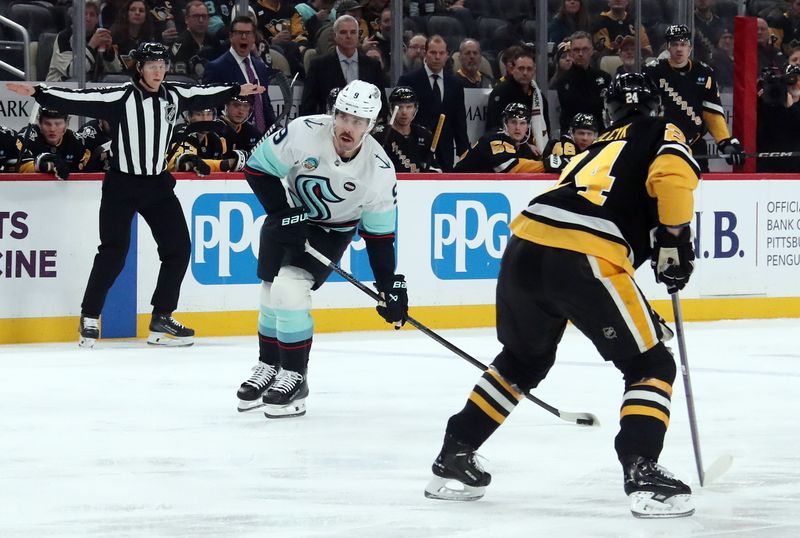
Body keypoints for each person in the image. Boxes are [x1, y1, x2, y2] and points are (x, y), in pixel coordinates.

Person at [424, 72, 701, 519]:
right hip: (583, 252)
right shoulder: (662, 130)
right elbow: (670, 177)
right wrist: (672, 238)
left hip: (524, 242)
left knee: (522, 360)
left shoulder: (592, 149)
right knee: (651, 364)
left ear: (610, 112)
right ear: (655, 108)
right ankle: (642, 469)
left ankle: (455, 455)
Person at [6, 42, 265, 348]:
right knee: (113, 253)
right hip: (122, 185)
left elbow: (205, 92)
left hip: (157, 185)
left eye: (162, 64)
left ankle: (161, 317)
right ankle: (90, 316)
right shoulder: (121, 96)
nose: (159, 71)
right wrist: (39, 92)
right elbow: (80, 99)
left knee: (179, 249)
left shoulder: (174, 94)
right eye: (152, 65)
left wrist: (238, 88)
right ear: (139, 68)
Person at [235, 80, 408, 417]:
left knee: (290, 288)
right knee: (270, 290)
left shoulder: (379, 170)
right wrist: (285, 214)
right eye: (343, 116)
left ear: (371, 125)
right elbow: (257, 168)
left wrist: (389, 285)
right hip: (287, 212)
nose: (348, 126)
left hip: (332, 231)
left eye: (358, 121)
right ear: (334, 112)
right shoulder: (303, 132)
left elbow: (379, 236)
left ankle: (296, 376)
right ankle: (268, 365)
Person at [644, 25, 743, 170]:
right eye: (675, 44)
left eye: (683, 44)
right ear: (668, 47)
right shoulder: (652, 71)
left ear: (690, 48)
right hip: (662, 145)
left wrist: (724, 141)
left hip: (695, 144)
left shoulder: (704, 72)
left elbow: (712, 111)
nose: (679, 49)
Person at [397, 35, 470, 171]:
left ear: (447, 55)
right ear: (425, 53)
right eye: (433, 52)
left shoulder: (455, 84)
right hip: (416, 149)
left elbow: (459, 122)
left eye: (441, 53)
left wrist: (464, 153)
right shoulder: (408, 81)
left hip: (445, 152)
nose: (437, 57)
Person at [300, 14, 388, 118]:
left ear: (358, 35)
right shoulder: (319, 65)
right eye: (343, 32)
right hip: (329, 127)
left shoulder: (372, 65)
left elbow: (381, 104)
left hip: (364, 127)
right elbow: (308, 107)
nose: (348, 36)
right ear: (334, 36)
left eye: (353, 32)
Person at [204, 16, 277, 135]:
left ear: (254, 38)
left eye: (248, 33)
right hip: (231, 138)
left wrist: (273, 130)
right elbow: (210, 107)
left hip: (263, 138)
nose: (244, 37)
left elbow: (265, 104)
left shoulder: (260, 67)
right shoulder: (216, 68)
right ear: (231, 36)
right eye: (239, 33)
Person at [456, 103, 565, 173]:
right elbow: (508, 167)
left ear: (528, 127)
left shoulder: (522, 146)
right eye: (513, 122)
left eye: (522, 123)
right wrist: (546, 165)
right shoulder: (495, 138)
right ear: (505, 124)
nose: (518, 128)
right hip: (457, 185)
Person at [485, 48, 550, 155]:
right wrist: (525, 146)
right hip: (504, 151)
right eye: (521, 68)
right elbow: (494, 128)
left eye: (529, 69)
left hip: (536, 152)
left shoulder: (538, 97)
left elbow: (547, 128)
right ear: (512, 69)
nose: (525, 73)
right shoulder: (500, 92)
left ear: (534, 70)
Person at [47, 1, 122, 82]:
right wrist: (91, 46)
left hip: (92, 85)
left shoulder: (99, 36)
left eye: (92, 15)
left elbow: (116, 71)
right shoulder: (64, 37)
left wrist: (108, 52)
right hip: (59, 85)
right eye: (84, 14)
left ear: (97, 19)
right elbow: (74, 72)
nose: (88, 18)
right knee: (76, 81)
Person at [372, 86, 439, 173]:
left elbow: (434, 168)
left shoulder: (424, 135)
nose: (404, 112)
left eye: (409, 107)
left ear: (415, 109)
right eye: (399, 107)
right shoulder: (379, 135)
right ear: (391, 108)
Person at [556, 31, 611, 134]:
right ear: (571, 52)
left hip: (600, 135)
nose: (580, 54)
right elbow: (575, 108)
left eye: (585, 49)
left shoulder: (604, 78)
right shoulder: (563, 81)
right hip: (572, 136)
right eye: (576, 50)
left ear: (592, 51)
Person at [167, 105, 247, 174]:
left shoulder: (215, 139)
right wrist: (225, 164)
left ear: (214, 117)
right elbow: (184, 164)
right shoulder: (182, 133)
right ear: (189, 117)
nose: (205, 119)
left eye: (209, 114)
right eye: (199, 114)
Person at [17, 108, 91, 180]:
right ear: (39, 124)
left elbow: (85, 174)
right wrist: (42, 166)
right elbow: (19, 168)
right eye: (47, 123)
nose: (52, 129)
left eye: (58, 124)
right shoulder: (28, 136)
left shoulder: (76, 141)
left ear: (67, 124)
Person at [757, 64, 800, 172]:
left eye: (795, 79)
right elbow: (760, 132)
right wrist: (759, 102)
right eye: (788, 81)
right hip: (769, 167)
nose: (793, 84)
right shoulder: (770, 104)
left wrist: (791, 108)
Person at [169, 0, 226, 80]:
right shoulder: (180, 45)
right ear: (186, 19)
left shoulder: (214, 41)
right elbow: (179, 79)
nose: (201, 20)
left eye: (204, 16)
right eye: (196, 16)